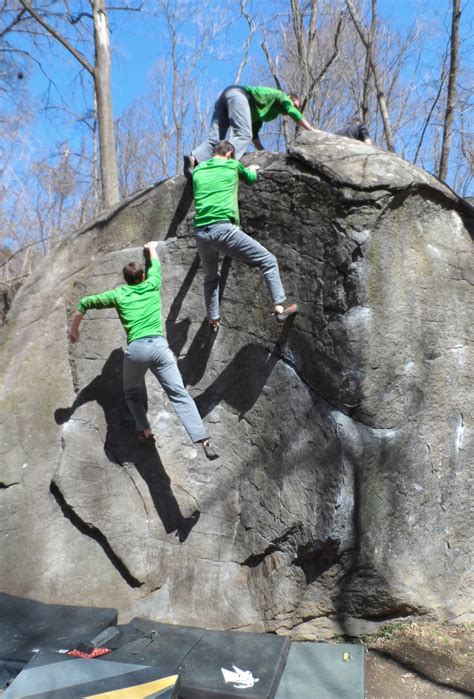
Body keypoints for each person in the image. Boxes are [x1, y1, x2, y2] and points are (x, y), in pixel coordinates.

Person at [68, 241, 218, 460]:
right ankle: (203, 438)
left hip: (137, 350)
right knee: (178, 393)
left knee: (131, 393)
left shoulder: (119, 294)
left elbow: (84, 302)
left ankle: (144, 430)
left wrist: (74, 330)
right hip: (160, 348)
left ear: (126, 280)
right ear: (143, 277)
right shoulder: (152, 284)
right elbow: (155, 264)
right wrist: (152, 249)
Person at [192, 139, 298, 332]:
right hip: (223, 229)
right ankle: (280, 307)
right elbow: (250, 178)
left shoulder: (198, 170)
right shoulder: (232, 165)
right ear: (229, 154)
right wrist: (254, 168)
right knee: (268, 260)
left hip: (200, 233)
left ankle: (213, 320)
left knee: (210, 277)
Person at [184, 85, 315, 177]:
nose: (297, 110)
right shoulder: (282, 97)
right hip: (239, 95)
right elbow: (292, 111)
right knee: (243, 134)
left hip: (224, 97)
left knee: (215, 140)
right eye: (297, 106)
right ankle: (224, 165)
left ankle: (193, 159)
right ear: (290, 98)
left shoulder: (266, 111)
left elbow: (254, 135)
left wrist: (262, 152)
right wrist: (312, 130)